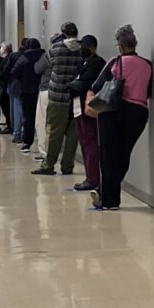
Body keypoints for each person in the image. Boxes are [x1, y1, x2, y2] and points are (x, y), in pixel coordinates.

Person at [89, 25, 153, 211]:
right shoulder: (147, 64)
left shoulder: (115, 62)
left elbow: (97, 85)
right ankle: (105, 192)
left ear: (120, 46)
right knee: (124, 155)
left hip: (113, 111)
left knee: (108, 156)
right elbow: (148, 91)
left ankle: (109, 199)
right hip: (139, 113)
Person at [34, 22, 85, 176]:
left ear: (63, 33)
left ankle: (48, 165)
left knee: (54, 132)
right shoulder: (82, 49)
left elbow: (45, 65)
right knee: (73, 134)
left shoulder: (56, 48)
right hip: (75, 97)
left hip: (58, 96)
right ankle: (67, 166)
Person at [69, 35, 106, 192]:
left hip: (90, 107)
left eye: (85, 45)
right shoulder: (82, 63)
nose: (82, 48)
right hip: (78, 105)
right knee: (84, 141)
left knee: (91, 142)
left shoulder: (98, 63)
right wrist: (74, 84)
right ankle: (89, 176)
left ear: (93, 47)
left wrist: (76, 84)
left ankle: (93, 178)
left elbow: (85, 83)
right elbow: (74, 82)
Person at [11, 38, 45, 152]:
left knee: (28, 117)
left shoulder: (24, 58)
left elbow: (14, 72)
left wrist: (22, 80)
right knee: (43, 118)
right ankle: (44, 144)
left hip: (27, 90)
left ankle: (27, 142)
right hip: (42, 90)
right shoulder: (44, 56)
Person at [32, 35, 58, 161]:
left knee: (42, 122)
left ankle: (44, 152)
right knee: (56, 124)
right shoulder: (72, 54)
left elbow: (37, 69)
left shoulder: (49, 55)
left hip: (46, 90)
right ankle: (54, 150)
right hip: (61, 92)